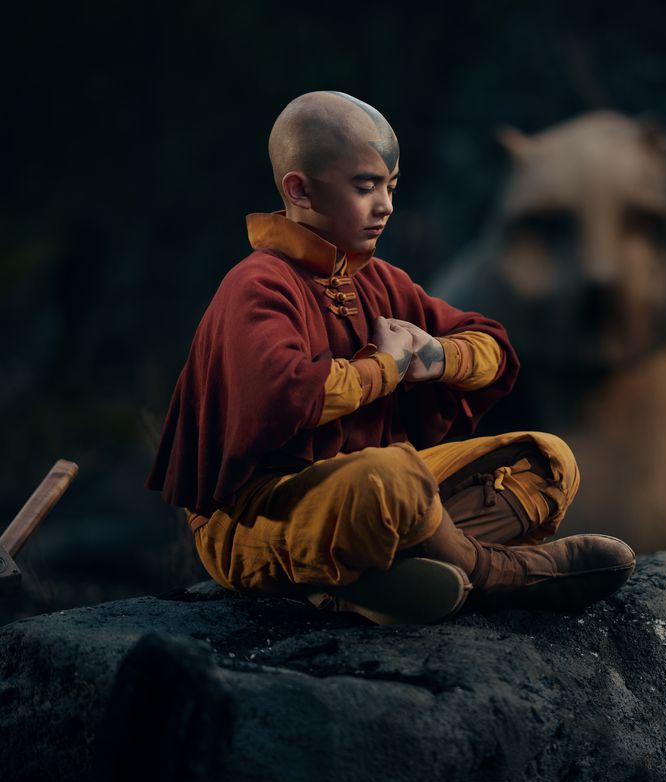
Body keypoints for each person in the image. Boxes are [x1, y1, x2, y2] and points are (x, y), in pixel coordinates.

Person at [146, 91, 635, 624]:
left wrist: (435, 356)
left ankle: (365, 584)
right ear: (299, 189)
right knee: (393, 478)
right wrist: (386, 367)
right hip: (256, 517)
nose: (386, 205)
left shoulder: (377, 279)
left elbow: (491, 348)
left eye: (391, 187)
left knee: (547, 459)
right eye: (366, 187)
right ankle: (500, 574)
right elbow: (285, 393)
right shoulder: (256, 285)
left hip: (383, 499)